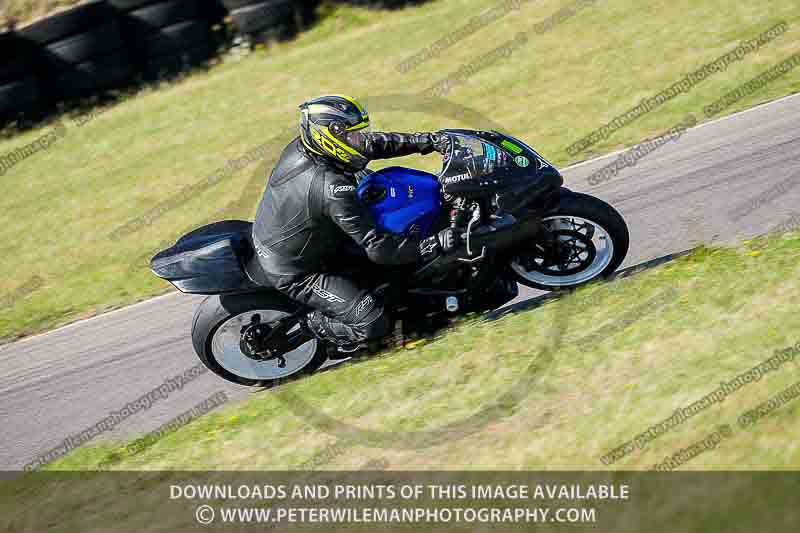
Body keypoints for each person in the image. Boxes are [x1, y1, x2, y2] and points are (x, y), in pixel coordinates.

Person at [252, 95, 456, 352]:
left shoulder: (309, 147)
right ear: (328, 137)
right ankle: (313, 325)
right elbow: (379, 248)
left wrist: (429, 141)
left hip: (306, 234)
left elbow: (373, 144)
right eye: (352, 136)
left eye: (358, 133)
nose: (360, 140)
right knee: (373, 322)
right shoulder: (331, 187)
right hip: (298, 270)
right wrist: (433, 244)